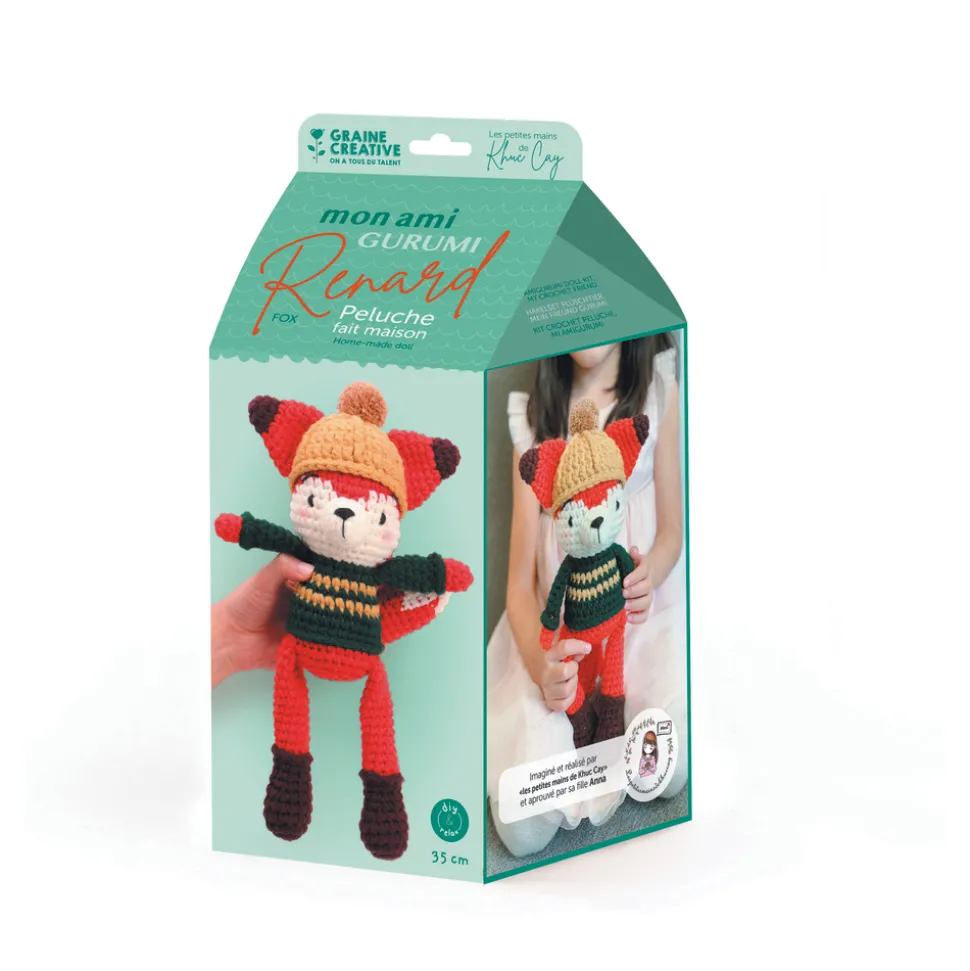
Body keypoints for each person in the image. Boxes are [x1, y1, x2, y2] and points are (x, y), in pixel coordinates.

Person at [487, 335, 688, 858]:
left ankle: (618, 743)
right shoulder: (534, 421)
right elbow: (518, 586)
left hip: (637, 626)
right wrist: (542, 667)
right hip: (561, 645)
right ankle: (576, 757)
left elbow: (672, 530)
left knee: (672, 762)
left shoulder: (657, 390)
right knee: (523, 827)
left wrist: (649, 573)